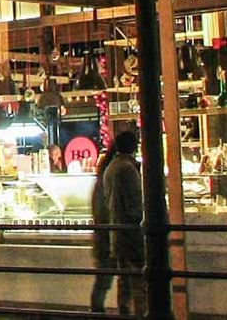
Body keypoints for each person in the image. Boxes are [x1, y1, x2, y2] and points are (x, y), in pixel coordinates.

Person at [104, 131, 145, 316]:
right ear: (133, 146)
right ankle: (141, 313)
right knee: (138, 280)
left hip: (116, 230)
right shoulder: (128, 169)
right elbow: (134, 205)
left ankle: (124, 312)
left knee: (124, 280)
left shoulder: (111, 167)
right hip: (130, 232)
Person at [90, 150, 116, 313]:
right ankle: (97, 311)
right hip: (108, 237)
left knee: (103, 281)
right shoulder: (107, 182)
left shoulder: (101, 182)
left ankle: (98, 310)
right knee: (104, 281)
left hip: (104, 237)